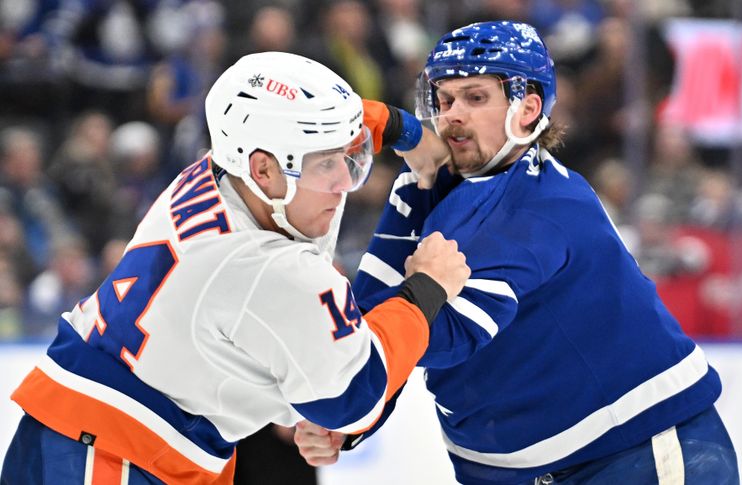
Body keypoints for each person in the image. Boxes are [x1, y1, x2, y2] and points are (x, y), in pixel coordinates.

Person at [295, 21, 739, 484]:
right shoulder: (431, 187)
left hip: (635, 454)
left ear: (527, 108)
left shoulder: (541, 205)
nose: (452, 115)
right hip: (514, 471)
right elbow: (379, 319)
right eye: (444, 100)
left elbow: (443, 333)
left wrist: (360, 380)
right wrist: (357, 414)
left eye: (476, 97)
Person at [1, 51, 470, 485]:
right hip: (114, 459)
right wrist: (425, 291)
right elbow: (353, 398)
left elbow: (351, 119)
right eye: (327, 165)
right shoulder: (271, 269)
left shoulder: (218, 168)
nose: (345, 183)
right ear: (263, 169)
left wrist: (407, 132)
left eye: (351, 160)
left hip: (82, 431)